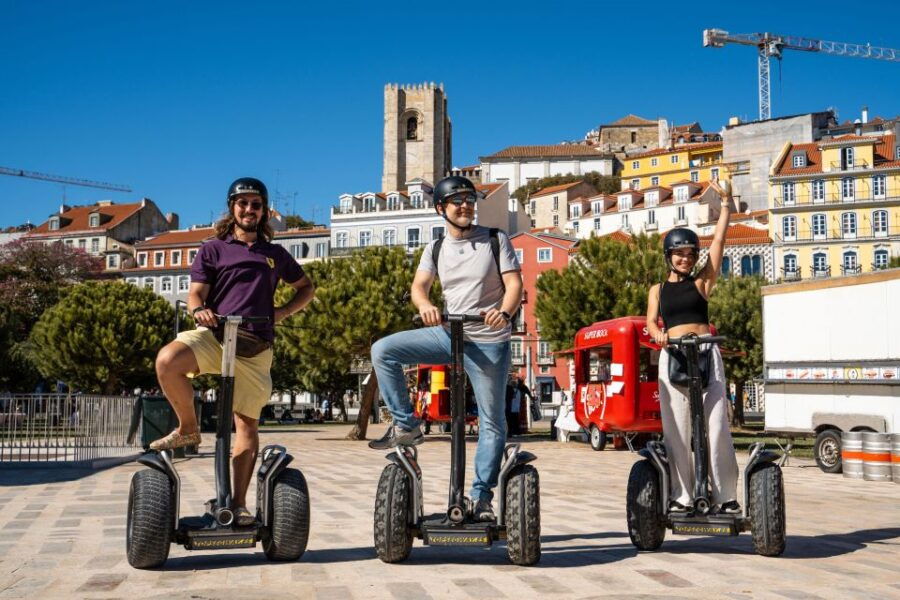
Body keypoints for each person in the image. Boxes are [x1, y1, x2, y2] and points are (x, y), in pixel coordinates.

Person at [149, 177, 315, 526]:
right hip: (216, 336)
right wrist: (198, 311)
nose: (249, 209)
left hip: (255, 346)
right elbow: (196, 294)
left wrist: (282, 312)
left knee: (247, 426)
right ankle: (189, 427)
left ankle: (238, 506)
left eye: (256, 204)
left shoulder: (275, 254)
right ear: (232, 207)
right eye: (243, 203)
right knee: (167, 360)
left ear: (264, 211)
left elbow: (305, 288)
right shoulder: (213, 249)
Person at [368, 175, 523, 522]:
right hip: (449, 334)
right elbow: (419, 287)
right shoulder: (435, 248)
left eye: (470, 200)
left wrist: (504, 312)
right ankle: (406, 424)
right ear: (442, 209)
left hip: (487, 340)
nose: (466, 206)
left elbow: (514, 284)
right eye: (458, 201)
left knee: (492, 421)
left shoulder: (495, 240)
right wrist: (424, 305)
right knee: (383, 350)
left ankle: (481, 498)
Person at [645, 178, 739, 514]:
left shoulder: (702, 282)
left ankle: (725, 496)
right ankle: (682, 497)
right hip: (672, 356)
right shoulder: (657, 289)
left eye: (690, 254)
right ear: (668, 256)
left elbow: (719, 242)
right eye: (679, 254)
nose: (685, 259)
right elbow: (650, 323)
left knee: (716, 427)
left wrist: (725, 206)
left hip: (705, 352)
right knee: (678, 432)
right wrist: (657, 336)